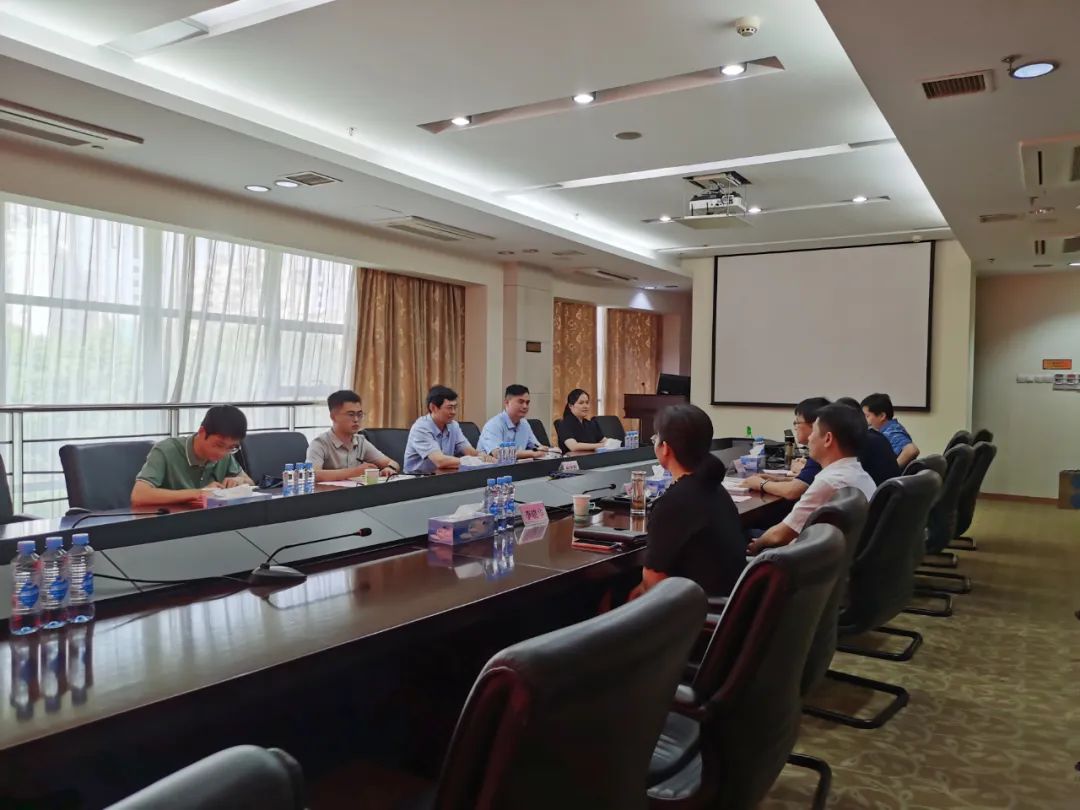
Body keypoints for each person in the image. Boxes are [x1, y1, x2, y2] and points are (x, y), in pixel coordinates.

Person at [627, 404, 747, 599]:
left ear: (665, 448)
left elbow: (653, 586)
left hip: (696, 609)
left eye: (656, 438)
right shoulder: (716, 488)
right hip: (728, 601)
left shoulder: (673, 504)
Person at [747, 403, 876, 555]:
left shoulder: (828, 481)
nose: (809, 438)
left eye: (813, 431)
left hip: (809, 561)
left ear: (828, 439)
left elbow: (780, 535)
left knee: (742, 533)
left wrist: (756, 546)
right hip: (840, 557)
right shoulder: (861, 475)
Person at [743, 396, 900, 499]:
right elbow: (812, 481)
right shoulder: (873, 438)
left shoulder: (831, 450)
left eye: (797, 422)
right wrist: (778, 479)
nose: (795, 427)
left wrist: (760, 484)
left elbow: (794, 491)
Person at [131, 405, 253, 507]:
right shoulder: (165, 450)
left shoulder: (226, 454)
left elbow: (250, 482)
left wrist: (239, 481)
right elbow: (139, 495)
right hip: (173, 520)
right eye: (218, 445)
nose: (223, 453)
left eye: (232, 447)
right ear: (202, 432)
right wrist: (197, 493)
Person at [307, 390, 399, 481]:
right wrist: (356, 472)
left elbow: (392, 463)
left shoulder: (360, 441)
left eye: (359, 414)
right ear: (333, 416)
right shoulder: (320, 443)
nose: (356, 419)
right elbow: (311, 474)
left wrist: (390, 468)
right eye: (351, 414)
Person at [403, 385, 493, 474]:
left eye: (455, 407)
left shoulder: (453, 425)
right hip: (417, 477)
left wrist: (484, 457)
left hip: (444, 474)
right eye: (449, 408)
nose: (453, 412)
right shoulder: (421, 428)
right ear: (433, 407)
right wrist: (472, 461)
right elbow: (440, 461)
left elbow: (468, 450)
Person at [477, 384, 556, 459]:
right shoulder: (493, 425)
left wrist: (549, 450)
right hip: (490, 467)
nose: (525, 406)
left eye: (527, 403)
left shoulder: (524, 424)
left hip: (517, 466)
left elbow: (536, 446)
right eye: (521, 402)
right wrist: (531, 453)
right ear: (507, 403)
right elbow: (498, 454)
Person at [861, 392, 920, 467]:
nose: (864, 420)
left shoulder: (891, 431)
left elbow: (911, 450)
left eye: (867, 416)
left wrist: (892, 469)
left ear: (882, 416)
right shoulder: (891, 428)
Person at [555, 389, 609, 453]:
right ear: (570, 406)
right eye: (581, 403)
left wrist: (613, 443)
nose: (585, 406)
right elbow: (573, 446)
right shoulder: (563, 424)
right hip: (574, 459)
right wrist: (603, 445)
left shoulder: (591, 424)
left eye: (587, 402)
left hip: (593, 457)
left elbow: (605, 440)